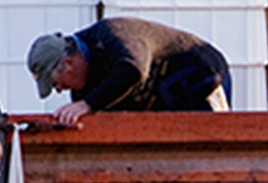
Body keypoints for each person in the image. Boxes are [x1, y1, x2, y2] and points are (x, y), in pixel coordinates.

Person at [27, 16, 232, 127]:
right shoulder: (84, 93)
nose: (60, 90)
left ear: (69, 63)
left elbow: (133, 68)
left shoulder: (111, 34)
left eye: (56, 84)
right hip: (161, 95)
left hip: (202, 74)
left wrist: (88, 105)